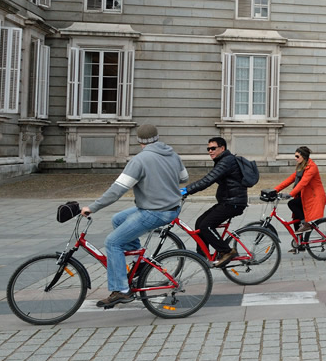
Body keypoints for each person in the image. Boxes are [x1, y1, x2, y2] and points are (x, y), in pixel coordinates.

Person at [80, 124, 189, 307]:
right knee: (118, 219)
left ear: (139, 141)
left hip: (155, 211)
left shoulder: (140, 160)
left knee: (113, 242)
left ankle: (121, 290)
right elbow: (183, 178)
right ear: (157, 137)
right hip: (171, 208)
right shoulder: (172, 154)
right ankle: (137, 263)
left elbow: (117, 191)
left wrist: (93, 207)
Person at [181, 137, 248, 267]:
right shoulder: (222, 160)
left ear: (222, 148)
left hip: (233, 203)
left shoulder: (227, 161)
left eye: (213, 148)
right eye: (208, 149)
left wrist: (186, 190)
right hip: (227, 201)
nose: (210, 151)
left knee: (206, 225)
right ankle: (203, 256)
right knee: (199, 222)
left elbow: (208, 180)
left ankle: (227, 251)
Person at [273, 146, 326, 253]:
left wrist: (290, 194)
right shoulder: (301, 167)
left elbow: (303, 183)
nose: (295, 158)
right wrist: (275, 190)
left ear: (303, 156)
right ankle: (300, 244)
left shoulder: (312, 167)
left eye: (297, 156)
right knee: (296, 219)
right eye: (295, 156)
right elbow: (290, 179)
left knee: (292, 204)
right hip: (305, 196)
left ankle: (306, 224)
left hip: (314, 197)